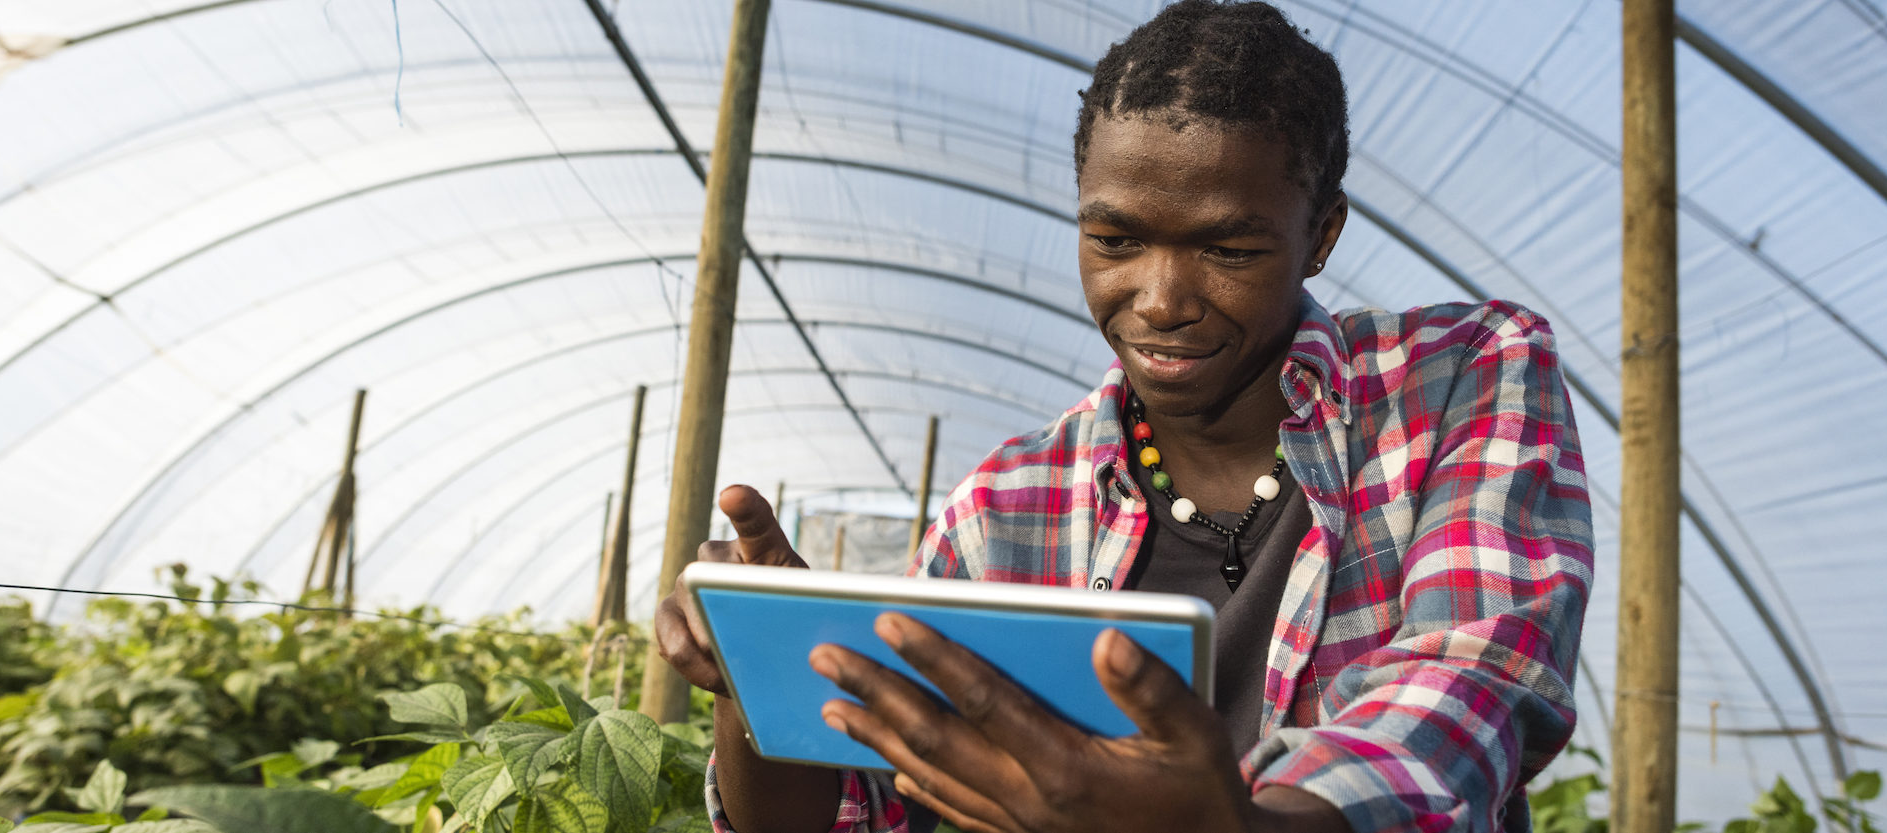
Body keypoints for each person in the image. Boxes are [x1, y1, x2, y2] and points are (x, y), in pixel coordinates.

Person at [653, 2, 1594, 831]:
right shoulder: (1010, 505)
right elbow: (866, 809)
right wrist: (773, 679)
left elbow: (1473, 678)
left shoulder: (1457, 379)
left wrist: (1253, 824)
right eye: (1114, 240)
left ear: (1321, 235)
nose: (1159, 299)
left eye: (1228, 247)